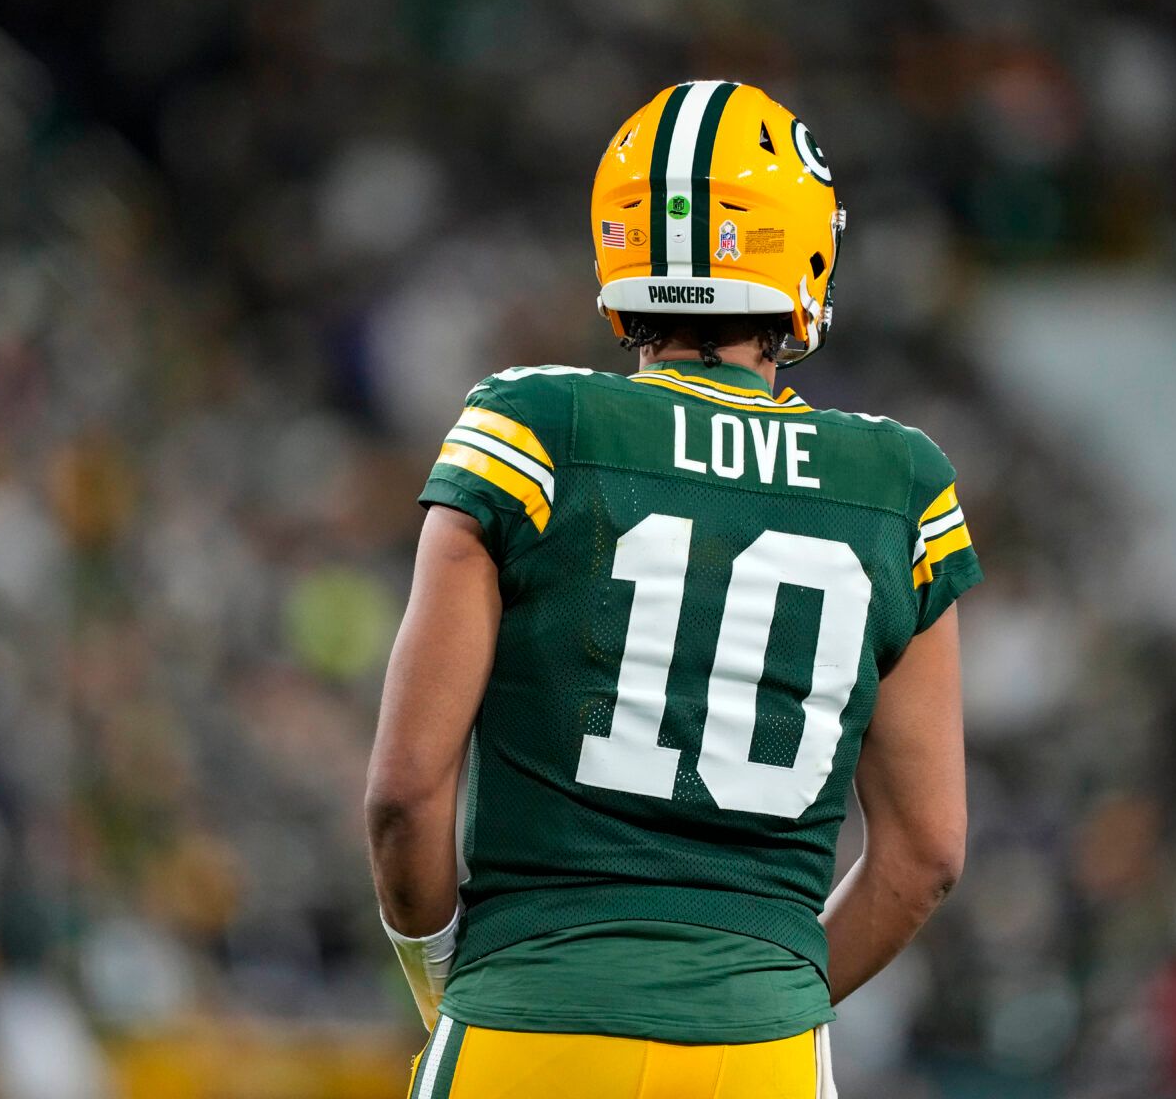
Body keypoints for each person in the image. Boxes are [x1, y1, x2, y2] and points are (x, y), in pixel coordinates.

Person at [366, 81, 981, 1098]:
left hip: (527, 1021)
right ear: (804, 250)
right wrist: (761, 988)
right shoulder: (900, 484)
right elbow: (926, 852)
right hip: (761, 1053)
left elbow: (402, 793)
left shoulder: (534, 429)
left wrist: (443, 978)